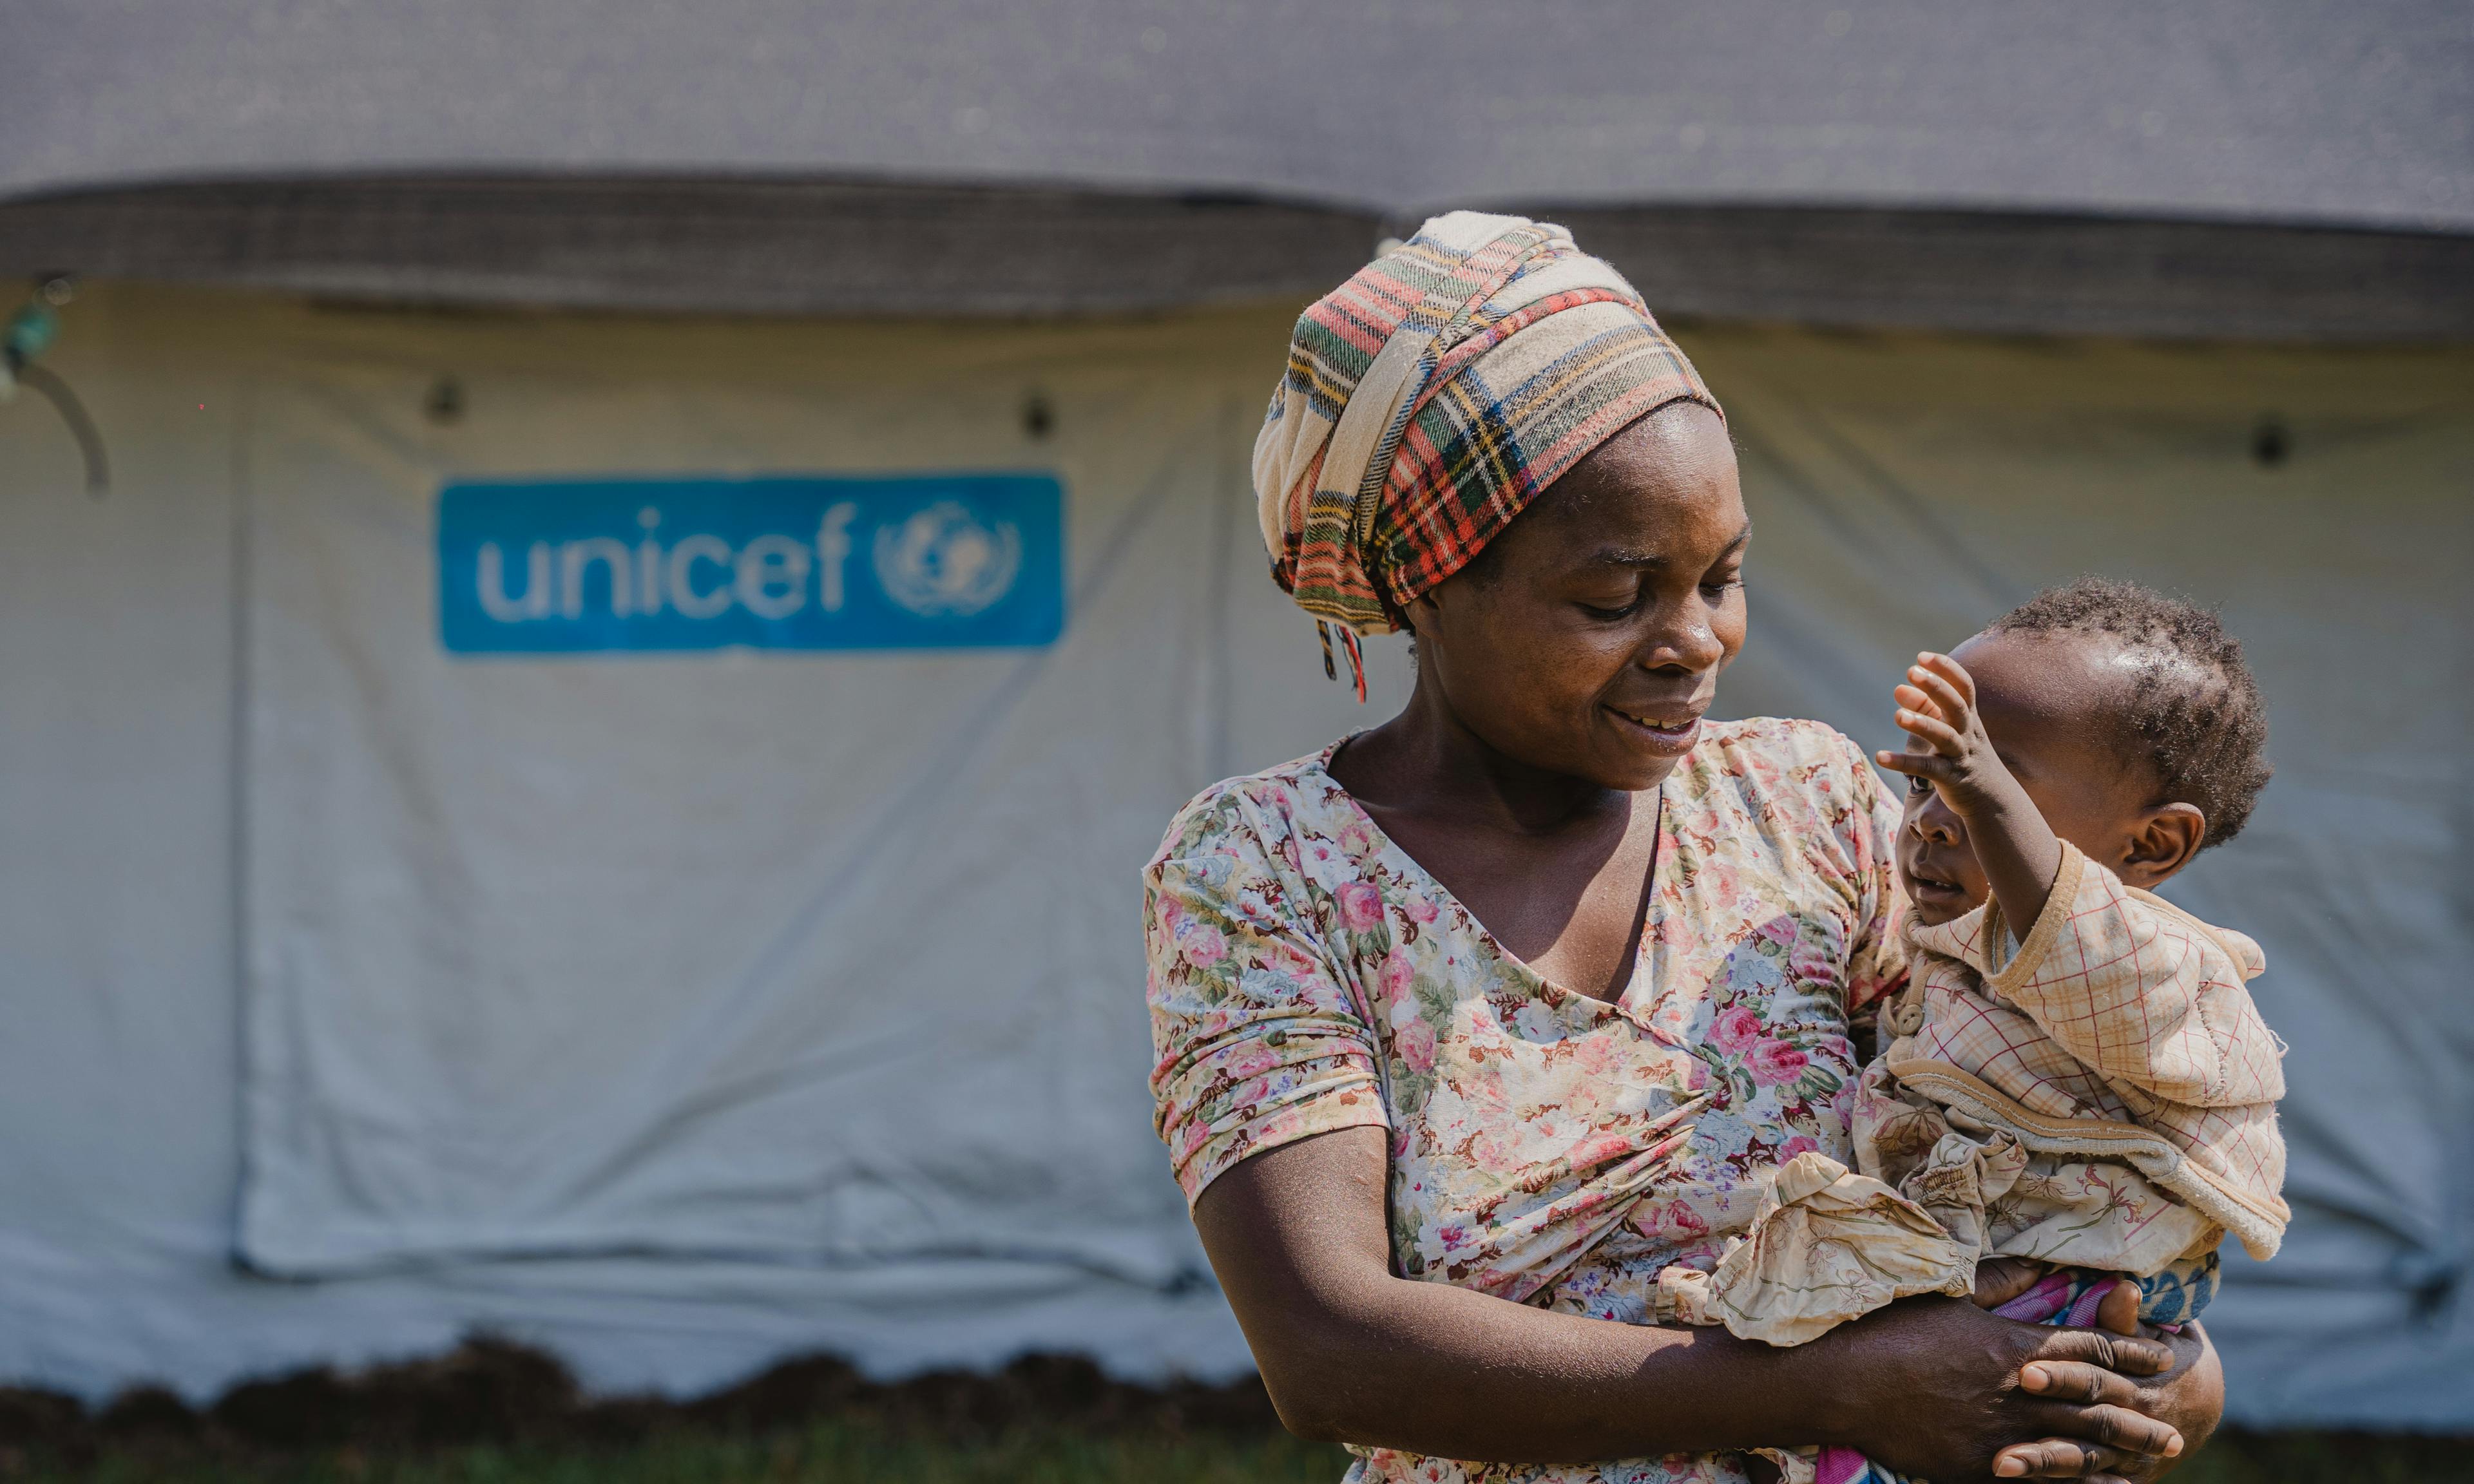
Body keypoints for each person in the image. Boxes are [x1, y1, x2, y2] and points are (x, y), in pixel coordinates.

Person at [1142, 213, 2223, 1484]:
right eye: (1616, 598)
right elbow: (1331, 1347)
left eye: (1721, 577)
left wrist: (2132, 1358)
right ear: (1427, 581)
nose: (1695, 641)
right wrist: (1842, 1388)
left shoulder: (1806, 805)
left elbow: (2050, 1093)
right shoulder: (1267, 868)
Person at [1655, 582, 2284, 1484]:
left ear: (2151, 848)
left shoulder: (2167, 970)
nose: (1932, 819)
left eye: (1987, 794)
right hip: (1974, 1282)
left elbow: (2074, 948)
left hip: (2074, 1292)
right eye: (1921, 784)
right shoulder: (1948, 944)